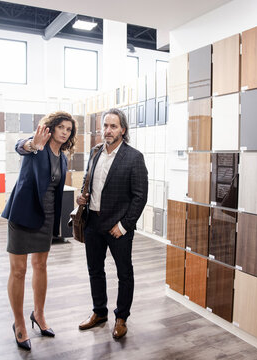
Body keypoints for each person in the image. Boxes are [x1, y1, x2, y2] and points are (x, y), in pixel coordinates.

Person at [1, 111, 76, 350]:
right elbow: (19, 146)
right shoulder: (37, 146)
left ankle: (39, 315)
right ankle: (19, 322)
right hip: (23, 214)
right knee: (19, 270)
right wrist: (34, 143)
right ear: (51, 128)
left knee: (41, 266)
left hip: (46, 217)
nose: (65, 132)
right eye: (61, 127)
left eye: (69, 129)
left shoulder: (63, 157)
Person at [76, 108, 148, 339]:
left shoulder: (134, 157)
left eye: (113, 126)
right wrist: (82, 196)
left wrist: (125, 225)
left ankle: (121, 317)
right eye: (105, 126)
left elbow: (140, 196)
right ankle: (99, 312)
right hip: (93, 222)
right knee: (95, 270)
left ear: (122, 130)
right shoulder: (95, 152)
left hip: (118, 227)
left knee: (124, 273)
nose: (107, 130)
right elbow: (89, 183)